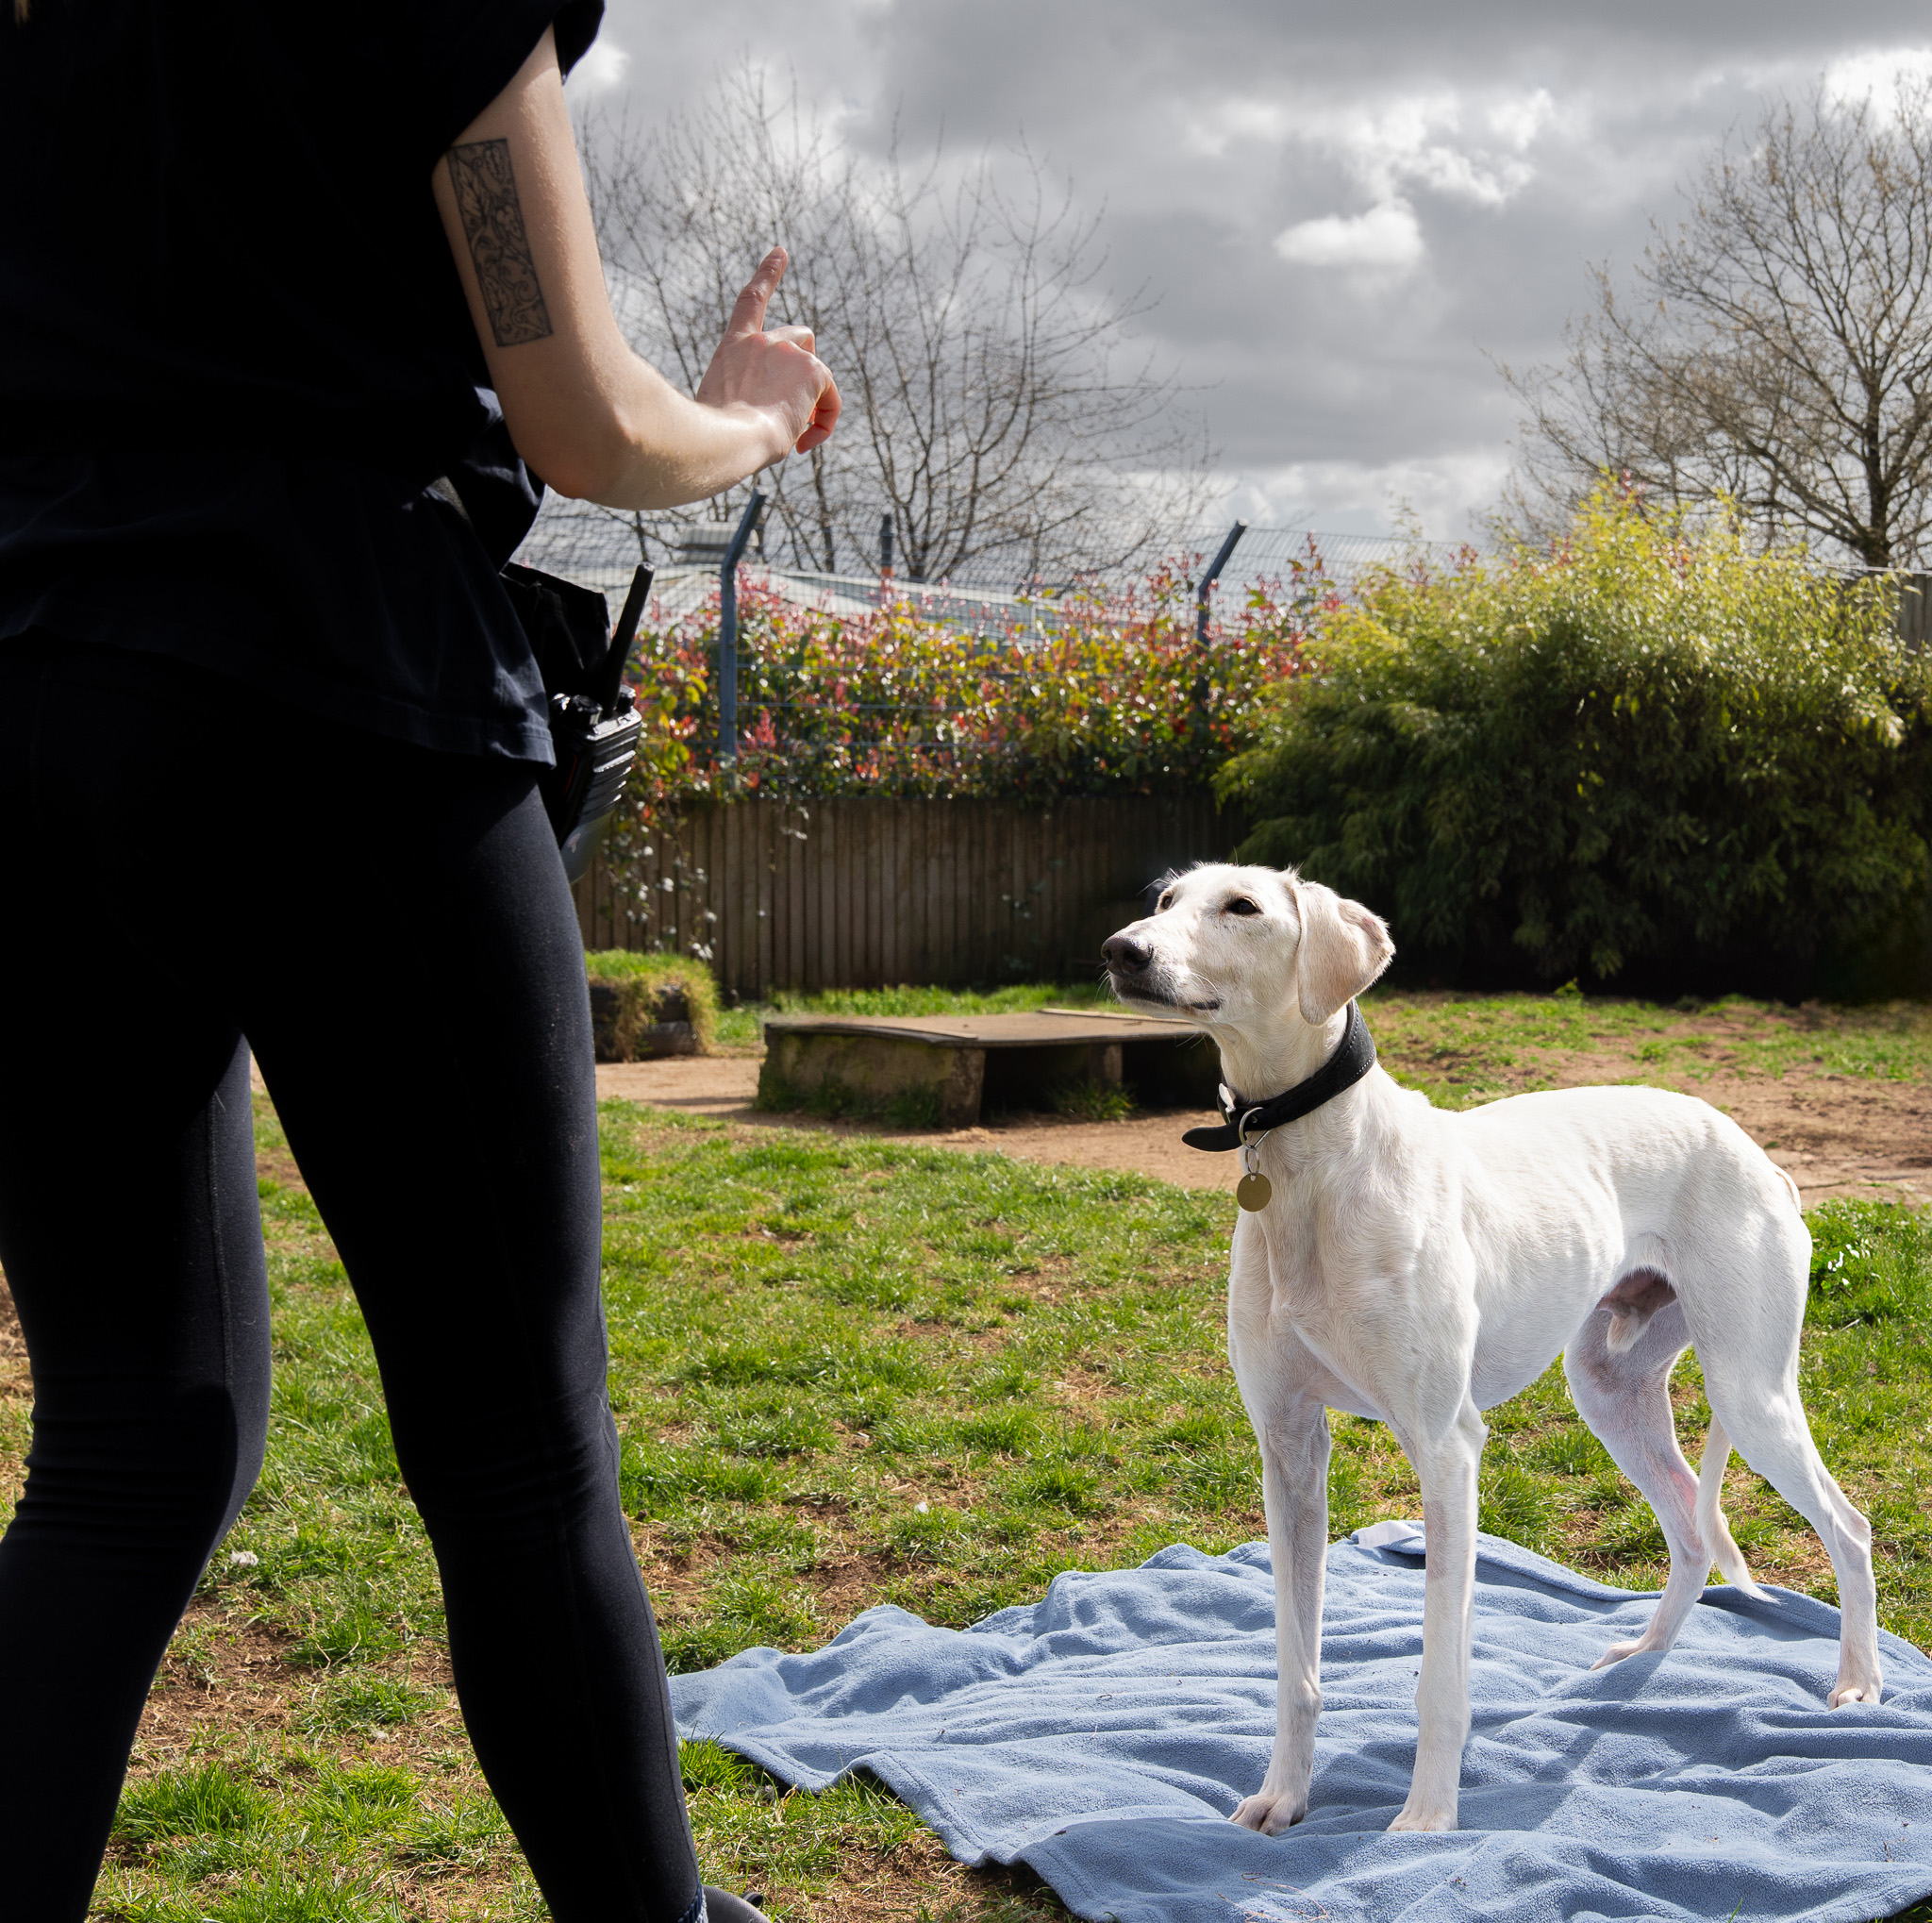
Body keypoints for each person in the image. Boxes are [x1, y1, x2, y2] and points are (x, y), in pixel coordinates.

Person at [0, 6, 838, 1920]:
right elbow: (587, 424)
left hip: (33, 688)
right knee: (517, 1449)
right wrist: (756, 406)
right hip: (344, 686)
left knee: (126, 1446)